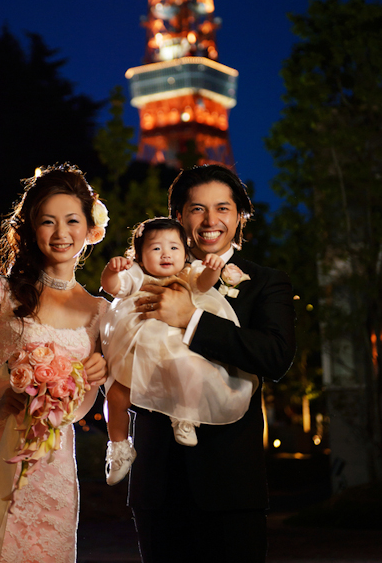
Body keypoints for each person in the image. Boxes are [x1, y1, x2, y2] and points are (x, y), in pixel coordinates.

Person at [128, 164, 296, 563]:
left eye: (223, 208)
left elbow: (275, 357)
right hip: (158, 479)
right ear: (179, 217)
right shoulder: (143, 279)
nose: (210, 220)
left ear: (240, 216)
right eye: (197, 209)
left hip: (231, 486)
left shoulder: (265, 282)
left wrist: (192, 318)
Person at [0, 164, 108, 563]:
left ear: (90, 229)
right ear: (30, 230)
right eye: (47, 221)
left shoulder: (100, 311)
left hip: (54, 466)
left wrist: (92, 381)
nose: (60, 233)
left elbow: (82, 410)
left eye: (72, 221)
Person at [100, 217, 258, 485]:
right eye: (156, 248)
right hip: (138, 351)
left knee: (192, 371)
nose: (166, 254)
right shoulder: (137, 276)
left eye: (174, 247)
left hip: (176, 347)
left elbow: (205, 283)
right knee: (115, 395)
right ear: (139, 255)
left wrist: (213, 269)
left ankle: (185, 416)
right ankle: (119, 446)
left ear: (185, 252)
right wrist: (112, 271)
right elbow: (112, 287)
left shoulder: (188, 273)